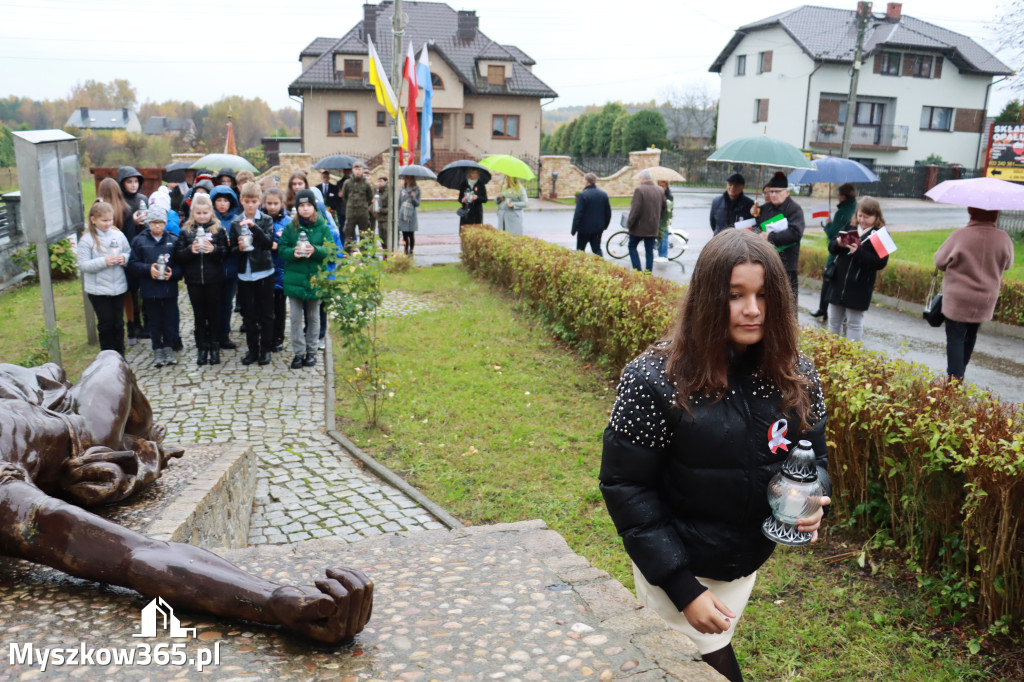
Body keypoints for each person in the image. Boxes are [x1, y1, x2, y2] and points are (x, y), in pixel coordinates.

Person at [0, 353, 373, 645]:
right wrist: (271, 599)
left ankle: (141, 434)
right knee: (109, 362)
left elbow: (132, 554)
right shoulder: (9, 499)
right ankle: (136, 440)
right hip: (49, 419)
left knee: (112, 362)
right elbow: (133, 554)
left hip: (41, 401)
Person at [600, 229, 832, 682]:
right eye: (735, 295)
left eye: (764, 294)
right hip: (675, 562)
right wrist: (684, 589)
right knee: (709, 664)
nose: (752, 309)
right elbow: (626, 487)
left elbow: (814, 459)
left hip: (742, 562)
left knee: (678, 664)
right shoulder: (654, 378)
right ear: (708, 298)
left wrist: (813, 500)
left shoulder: (795, 372)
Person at [934, 207, 1015, 381]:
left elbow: (939, 261)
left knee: (955, 336)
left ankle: (955, 380)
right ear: (995, 214)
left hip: (958, 298)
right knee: (971, 334)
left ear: (971, 212)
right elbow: (1008, 264)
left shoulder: (960, 236)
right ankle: (960, 373)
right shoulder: (1004, 238)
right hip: (985, 298)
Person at [279, 189, 332, 370]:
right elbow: (282, 249)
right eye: (301, 206)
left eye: (309, 205)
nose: (305, 209)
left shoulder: (322, 227)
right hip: (295, 280)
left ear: (314, 207)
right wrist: (292, 252)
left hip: (315, 279)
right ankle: (298, 353)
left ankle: (311, 352)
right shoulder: (290, 227)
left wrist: (315, 250)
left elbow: (330, 249)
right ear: (297, 208)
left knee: (313, 317)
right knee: (295, 318)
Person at [825, 197, 890, 342]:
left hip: (859, 286)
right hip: (838, 282)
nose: (862, 220)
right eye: (860, 215)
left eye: (867, 217)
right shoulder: (850, 226)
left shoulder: (880, 235)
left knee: (854, 324)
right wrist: (838, 244)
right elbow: (831, 247)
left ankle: (851, 358)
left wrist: (859, 252)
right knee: (834, 322)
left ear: (876, 216)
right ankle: (830, 354)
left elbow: (880, 263)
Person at [174, 194, 228, 366]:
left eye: (205, 213)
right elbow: (179, 255)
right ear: (193, 213)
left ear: (211, 212)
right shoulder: (186, 231)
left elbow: (225, 253)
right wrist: (191, 250)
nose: (202, 216)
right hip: (194, 279)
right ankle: (202, 348)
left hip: (213, 279)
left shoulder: (218, 229)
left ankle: (214, 347)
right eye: (199, 213)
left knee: (214, 314)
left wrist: (214, 250)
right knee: (199, 315)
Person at [127, 207, 182, 367]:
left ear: (165, 223)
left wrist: (173, 273)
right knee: (154, 321)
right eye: (153, 223)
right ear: (148, 223)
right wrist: (147, 269)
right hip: (149, 290)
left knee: (169, 320)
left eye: (160, 223)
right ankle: (157, 348)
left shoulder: (173, 240)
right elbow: (132, 265)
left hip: (169, 290)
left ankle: (169, 348)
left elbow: (180, 265)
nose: (157, 226)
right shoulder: (139, 241)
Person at [230, 182, 276, 366]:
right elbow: (232, 249)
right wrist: (239, 248)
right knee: (249, 315)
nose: (250, 205)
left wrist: (254, 228)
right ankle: (252, 350)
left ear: (259, 202)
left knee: (266, 314)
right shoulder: (235, 222)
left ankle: (266, 349)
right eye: (247, 201)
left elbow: (268, 243)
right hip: (245, 274)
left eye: (254, 201)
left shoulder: (266, 220)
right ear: (242, 201)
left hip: (264, 272)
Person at [77, 199, 130, 355]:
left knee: (119, 324)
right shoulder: (87, 240)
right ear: (93, 220)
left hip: (118, 286)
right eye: (104, 220)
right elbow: (83, 265)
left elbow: (128, 252)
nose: (108, 223)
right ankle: (107, 356)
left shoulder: (118, 235)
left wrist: (124, 259)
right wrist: (104, 261)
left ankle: (120, 355)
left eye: (110, 220)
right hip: (98, 290)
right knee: (106, 324)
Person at [752, 172, 805, 307]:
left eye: (777, 192)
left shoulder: (794, 209)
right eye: (771, 192)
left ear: (787, 192)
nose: (773, 195)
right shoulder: (765, 208)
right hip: (766, 262)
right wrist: (753, 213)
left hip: (786, 264)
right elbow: (756, 227)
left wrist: (770, 237)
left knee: (787, 304)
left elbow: (795, 233)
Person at [810, 184, 858, 322]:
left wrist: (828, 224)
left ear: (843, 196)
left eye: (839, 195)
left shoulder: (842, 213)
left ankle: (823, 309)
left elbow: (833, 234)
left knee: (828, 280)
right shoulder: (854, 208)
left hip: (837, 256)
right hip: (848, 255)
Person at [117, 167, 151, 345]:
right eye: (129, 182)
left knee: (144, 288)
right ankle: (134, 324)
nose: (133, 185)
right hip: (127, 248)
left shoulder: (142, 199)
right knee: (130, 291)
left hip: (142, 248)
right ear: (122, 183)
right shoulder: (119, 202)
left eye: (136, 181)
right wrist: (132, 221)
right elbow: (118, 227)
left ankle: (147, 324)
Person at [210, 185, 241, 350]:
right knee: (213, 303)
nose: (222, 204)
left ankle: (224, 333)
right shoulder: (209, 220)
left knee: (227, 303)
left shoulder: (236, 220)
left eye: (225, 201)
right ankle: (213, 334)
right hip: (213, 269)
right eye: (219, 200)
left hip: (231, 267)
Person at [264, 187, 290, 353]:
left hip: (281, 271)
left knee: (279, 309)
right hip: (264, 270)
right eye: (269, 203)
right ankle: (266, 335)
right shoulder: (261, 219)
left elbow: (291, 244)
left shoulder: (287, 223)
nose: (272, 207)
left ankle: (278, 337)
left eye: (275, 203)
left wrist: (278, 246)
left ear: (282, 204)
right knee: (265, 308)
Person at [625, 169, 665, 273]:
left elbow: (635, 209)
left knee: (632, 246)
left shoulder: (640, 190)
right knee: (649, 251)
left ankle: (638, 271)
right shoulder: (660, 190)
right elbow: (664, 207)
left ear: (643, 178)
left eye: (639, 178)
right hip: (653, 227)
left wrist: (629, 223)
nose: (639, 180)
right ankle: (648, 273)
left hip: (639, 227)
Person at [571, 173, 611, 256]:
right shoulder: (603, 194)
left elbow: (578, 213)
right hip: (598, 228)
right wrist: (604, 225)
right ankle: (601, 266)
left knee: (580, 250)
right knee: (597, 249)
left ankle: (580, 267)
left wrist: (574, 229)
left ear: (586, 182)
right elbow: (608, 212)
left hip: (584, 229)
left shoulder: (583, 195)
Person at [341, 162, 374, 250]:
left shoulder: (366, 184)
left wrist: (363, 206)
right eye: (356, 169)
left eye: (359, 170)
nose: (358, 172)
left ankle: (364, 258)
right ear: (352, 170)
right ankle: (347, 258)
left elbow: (370, 197)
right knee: (349, 237)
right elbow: (344, 197)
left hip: (363, 213)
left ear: (362, 171)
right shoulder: (347, 183)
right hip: (351, 213)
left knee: (364, 236)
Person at [398, 176, 421, 255]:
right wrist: (398, 212)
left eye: (409, 179)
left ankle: (411, 250)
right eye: (406, 178)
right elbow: (399, 201)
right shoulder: (402, 189)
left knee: (411, 234)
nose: (407, 180)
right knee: (404, 234)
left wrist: (414, 197)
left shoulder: (416, 189)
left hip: (411, 215)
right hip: (402, 214)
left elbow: (417, 203)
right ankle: (405, 250)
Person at [655, 180, 674, 261]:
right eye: (660, 185)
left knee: (664, 237)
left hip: (664, 219)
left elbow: (669, 209)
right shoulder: (657, 194)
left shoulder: (669, 196)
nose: (662, 187)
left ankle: (663, 255)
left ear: (666, 186)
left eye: (663, 186)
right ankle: (660, 255)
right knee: (659, 237)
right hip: (658, 219)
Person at [373, 175, 390, 250]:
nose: (379, 183)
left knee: (387, 237)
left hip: (386, 218)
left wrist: (382, 210)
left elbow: (391, 207)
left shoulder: (389, 191)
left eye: (381, 181)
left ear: (386, 182)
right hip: (379, 218)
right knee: (381, 237)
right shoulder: (377, 191)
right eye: (378, 181)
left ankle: (388, 253)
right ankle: (384, 252)